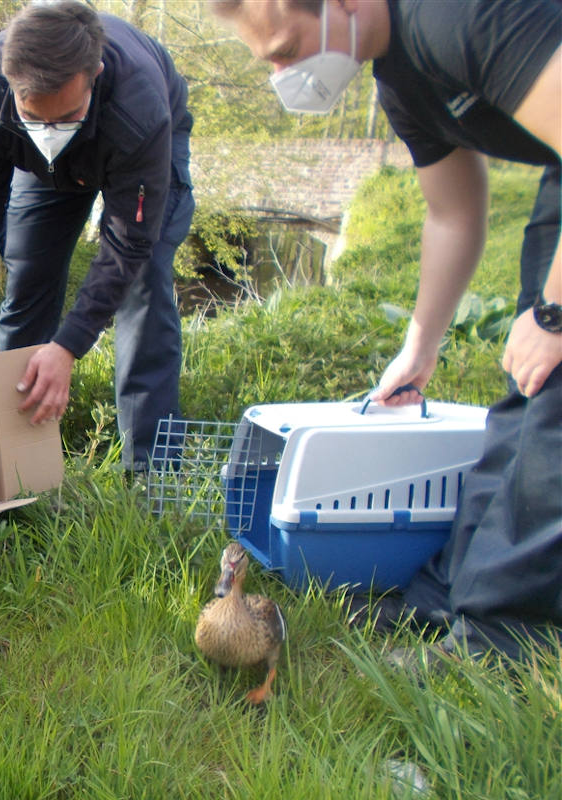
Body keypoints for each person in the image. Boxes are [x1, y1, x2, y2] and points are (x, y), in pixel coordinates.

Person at [209, 0, 561, 661]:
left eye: (285, 52)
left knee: (556, 410)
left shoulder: (456, 18)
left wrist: (553, 315)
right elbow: (453, 213)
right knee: (526, 399)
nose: (281, 77)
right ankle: (448, 595)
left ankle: (504, 640)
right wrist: (419, 346)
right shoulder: (401, 80)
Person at [0, 0, 195, 471]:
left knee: (144, 282)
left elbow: (128, 246)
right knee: (28, 272)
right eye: (34, 117)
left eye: (65, 116)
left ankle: (153, 470)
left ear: (94, 76)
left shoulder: (140, 111)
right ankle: (10, 459)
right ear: (10, 84)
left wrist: (68, 346)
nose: (50, 132)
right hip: (39, 170)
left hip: (130, 149)